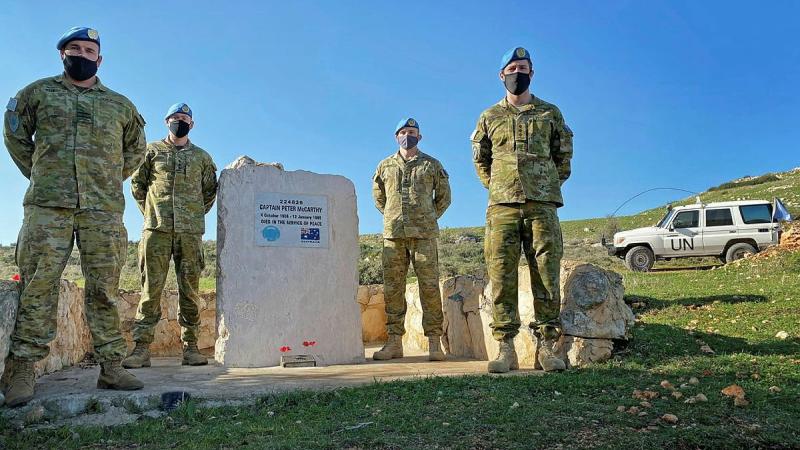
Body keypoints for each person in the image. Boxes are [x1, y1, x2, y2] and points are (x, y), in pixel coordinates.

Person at [3, 26, 147, 406]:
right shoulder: (37, 94)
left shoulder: (121, 105)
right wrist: (41, 174)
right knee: (38, 284)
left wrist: (105, 179)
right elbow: (16, 137)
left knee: (104, 290)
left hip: (102, 211)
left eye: (89, 50)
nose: (82, 55)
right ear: (62, 54)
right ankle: (21, 368)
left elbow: (135, 151)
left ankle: (111, 367)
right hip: (48, 207)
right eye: (75, 49)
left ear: (100, 59)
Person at [470, 46, 574, 373]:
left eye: (523, 67)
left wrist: (543, 185)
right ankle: (505, 349)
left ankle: (547, 348)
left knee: (546, 272)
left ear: (532, 72)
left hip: (542, 205)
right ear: (502, 75)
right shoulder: (489, 116)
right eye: (512, 67)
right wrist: (500, 186)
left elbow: (563, 158)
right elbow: (481, 161)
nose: (518, 72)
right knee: (501, 273)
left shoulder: (550, 113)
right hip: (502, 206)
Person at [123, 103, 217, 369]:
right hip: (156, 231)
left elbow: (209, 193)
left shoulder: (202, 157)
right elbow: (138, 187)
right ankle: (141, 349)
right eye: (175, 118)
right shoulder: (150, 152)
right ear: (166, 121)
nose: (180, 121)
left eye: (185, 118)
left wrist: (192, 214)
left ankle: (191, 347)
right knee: (150, 290)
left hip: (190, 233)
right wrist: (153, 214)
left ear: (192, 124)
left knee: (190, 291)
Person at [371, 118, 451, 361]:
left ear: (420, 136)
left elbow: (444, 197)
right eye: (404, 132)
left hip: (424, 235)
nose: (408, 135)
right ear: (397, 137)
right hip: (394, 236)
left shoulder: (432, 165)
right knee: (393, 290)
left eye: (412, 132)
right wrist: (393, 216)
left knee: (429, 288)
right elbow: (379, 198)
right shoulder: (385, 166)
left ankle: (435, 344)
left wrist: (427, 217)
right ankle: (394, 343)